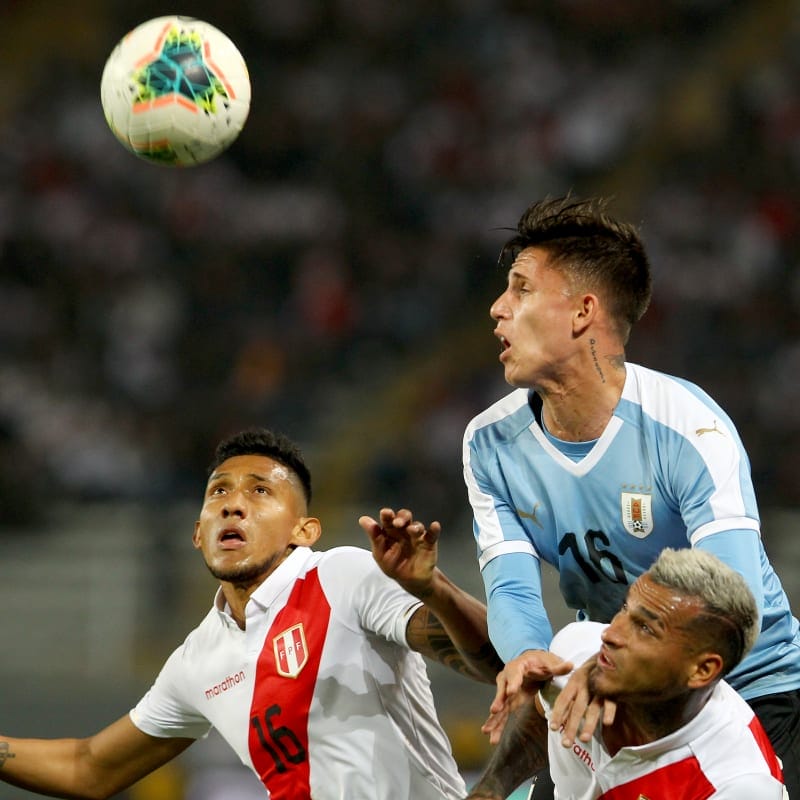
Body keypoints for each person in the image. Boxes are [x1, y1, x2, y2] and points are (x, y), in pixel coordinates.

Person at [462, 196, 800, 798]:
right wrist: (536, 660)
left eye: (520, 289)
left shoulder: (689, 428)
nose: (497, 309)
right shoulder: (489, 443)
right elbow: (513, 590)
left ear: (581, 312)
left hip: (747, 688)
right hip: (616, 685)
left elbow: (732, 605)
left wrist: (600, 669)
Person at [0, 427, 502, 800]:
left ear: (304, 531)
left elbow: (492, 662)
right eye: (218, 491)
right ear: (198, 533)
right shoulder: (196, 661)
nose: (232, 505)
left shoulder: (341, 577)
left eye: (260, 491)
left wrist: (431, 589)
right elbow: (89, 768)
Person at [465, 547, 787, 799]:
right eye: (624, 609)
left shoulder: (735, 784)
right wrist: (490, 790)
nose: (610, 634)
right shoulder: (576, 653)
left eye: (645, 628)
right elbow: (542, 713)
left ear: (702, 670)